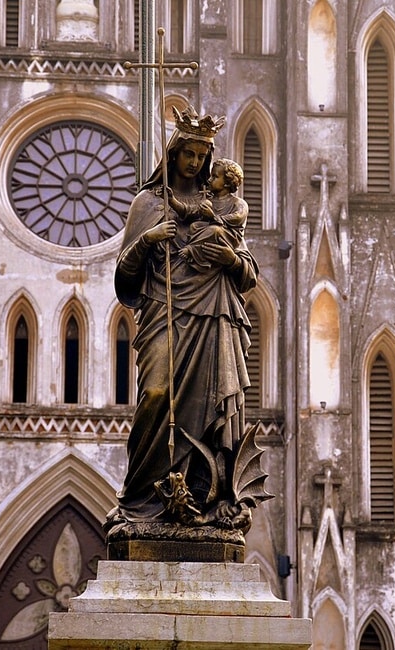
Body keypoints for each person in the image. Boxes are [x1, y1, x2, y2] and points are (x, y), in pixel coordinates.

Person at [111, 108, 258, 527]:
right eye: (187, 154)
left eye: (201, 155)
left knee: (214, 406)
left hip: (214, 316)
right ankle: (141, 498)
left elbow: (248, 272)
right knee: (156, 394)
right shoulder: (149, 202)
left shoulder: (223, 204)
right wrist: (148, 240)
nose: (194, 163)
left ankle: (205, 497)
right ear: (173, 153)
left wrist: (230, 257)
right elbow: (124, 275)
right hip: (166, 311)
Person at [174, 158, 247, 271]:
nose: (209, 180)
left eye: (214, 177)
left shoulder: (238, 203)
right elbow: (189, 211)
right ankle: (198, 254)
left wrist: (213, 217)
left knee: (215, 230)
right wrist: (171, 200)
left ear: (227, 183)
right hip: (209, 235)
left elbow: (237, 217)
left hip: (228, 236)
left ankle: (192, 249)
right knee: (194, 226)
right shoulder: (209, 201)